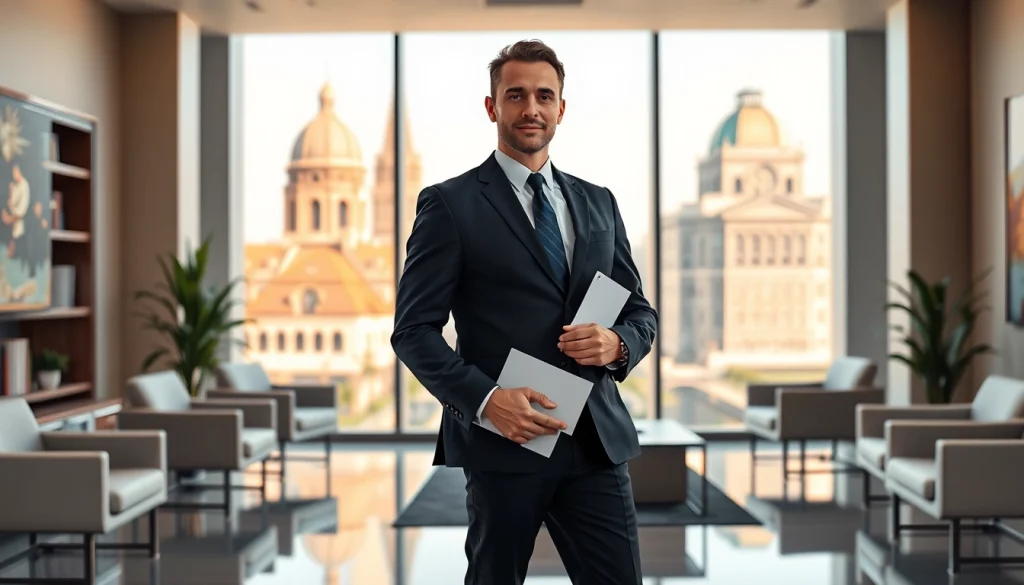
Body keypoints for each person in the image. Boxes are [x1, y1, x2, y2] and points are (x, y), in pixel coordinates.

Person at [391, 39, 657, 585]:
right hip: (504, 442)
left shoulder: (599, 202)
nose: (531, 108)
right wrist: (488, 402)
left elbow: (639, 311)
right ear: (492, 107)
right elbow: (413, 331)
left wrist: (619, 344)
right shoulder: (450, 204)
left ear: (562, 108)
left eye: (544, 96)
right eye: (516, 95)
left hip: (595, 443)